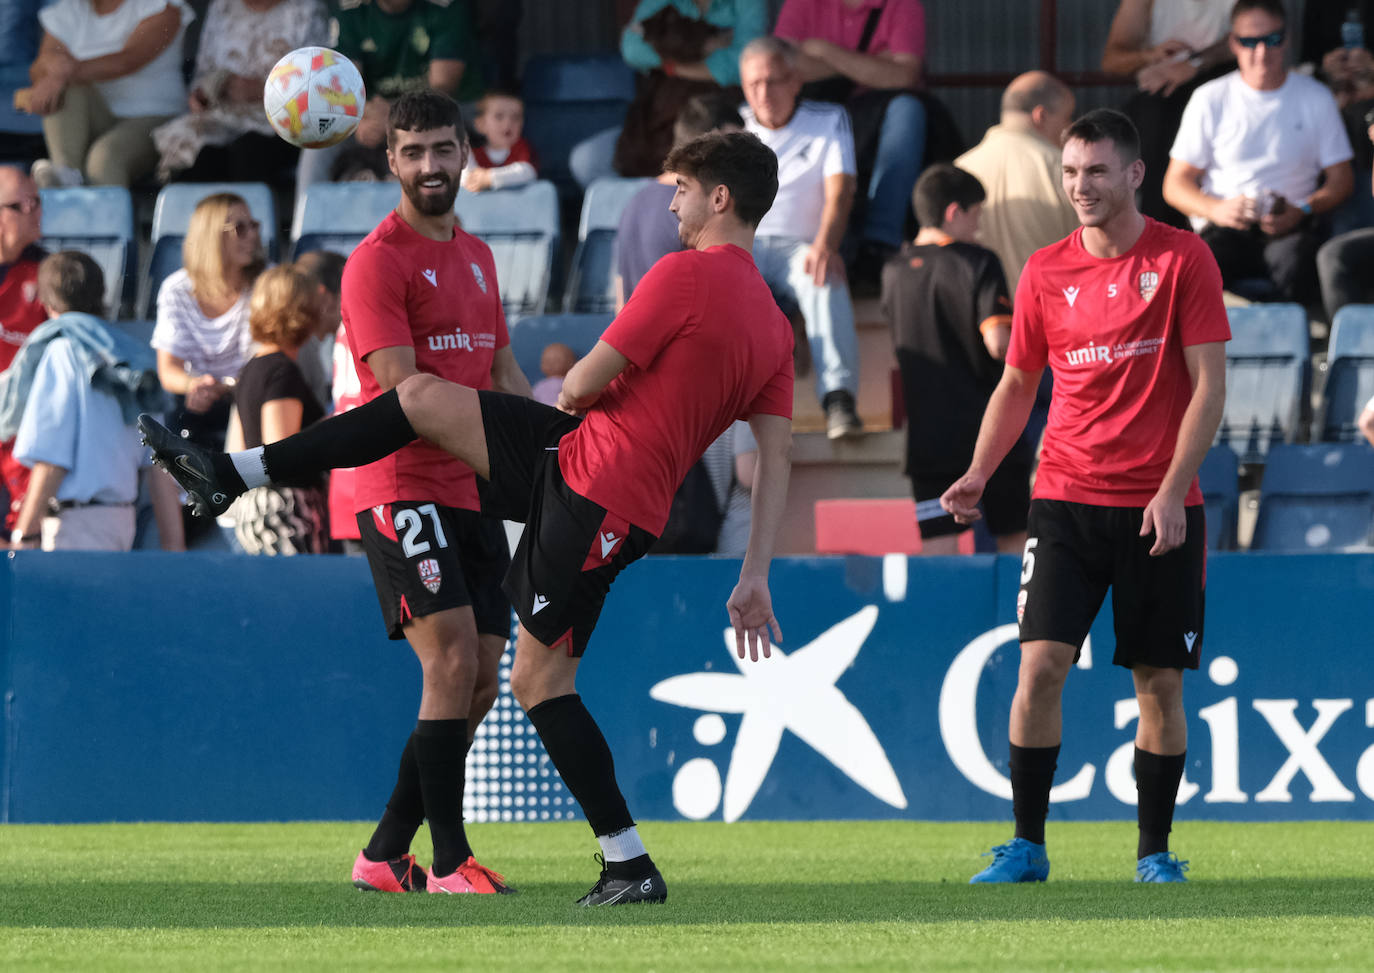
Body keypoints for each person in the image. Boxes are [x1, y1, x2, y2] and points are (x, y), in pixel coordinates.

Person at [140, 127, 795, 906]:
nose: (673, 202)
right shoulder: (775, 324)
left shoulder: (683, 276)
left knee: (537, 681)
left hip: (594, 484)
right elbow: (778, 460)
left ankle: (627, 860)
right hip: (597, 475)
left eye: (682, 188)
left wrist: (575, 382)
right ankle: (232, 471)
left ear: (721, 197)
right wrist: (755, 574)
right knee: (416, 398)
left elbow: (582, 383)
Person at [941, 109, 1229, 884]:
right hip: (1063, 497)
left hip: (1160, 509)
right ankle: (1027, 845)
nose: (1081, 187)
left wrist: (1172, 490)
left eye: (1097, 171)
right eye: (1071, 173)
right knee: (1039, 668)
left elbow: (1210, 389)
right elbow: (1017, 383)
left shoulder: (1183, 259)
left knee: (1158, 685)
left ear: (1135, 173)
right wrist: (978, 470)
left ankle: (1154, 852)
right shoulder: (1043, 270)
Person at [330, 90, 533, 895]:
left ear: (465, 153)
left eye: (444, 149)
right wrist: (494, 447)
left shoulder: (480, 256)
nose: (430, 166)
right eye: (413, 152)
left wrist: (549, 454)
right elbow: (403, 391)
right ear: (392, 160)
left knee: (480, 680)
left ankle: (385, 852)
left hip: (472, 484)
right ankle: (449, 861)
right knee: (449, 659)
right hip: (399, 482)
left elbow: (502, 373)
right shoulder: (375, 261)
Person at [1162, 0, 1353, 305]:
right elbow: (1174, 184)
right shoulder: (1209, 98)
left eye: (1272, 40)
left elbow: (1341, 179)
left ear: (1287, 39)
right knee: (1195, 268)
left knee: (1301, 263)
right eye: (1250, 41)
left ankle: (1303, 349)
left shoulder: (1316, 97)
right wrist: (1216, 209)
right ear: (1233, 43)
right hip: (1223, 228)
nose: (1262, 52)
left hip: (1291, 229)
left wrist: (1302, 209)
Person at [882, 163, 1026, 557]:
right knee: (1014, 540)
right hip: (990, 434)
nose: (978, 227)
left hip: (927, 438)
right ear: (953, 212)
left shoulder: (893, 272)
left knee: (938, 553)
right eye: (976, 214)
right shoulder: (978, 261)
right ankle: (1019, 622)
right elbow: (999, 342)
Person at [739, 36, 863, 440]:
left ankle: (839, 399)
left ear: (795, 81)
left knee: (823, 277)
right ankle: (730, 405)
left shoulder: (828, 119)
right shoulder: (733, 128)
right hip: (745, 249)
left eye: (773, 81)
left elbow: (841, 189)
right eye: (754, 84)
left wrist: (827, 244)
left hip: (802, 247)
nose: (764, 93)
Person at [8, 251, 167, 550]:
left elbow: (52, 461)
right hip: (121, 521)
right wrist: (175, 547)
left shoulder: (62, 352)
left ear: (46, 303)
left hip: (74, 525)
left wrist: (24, 535)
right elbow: (160, 467)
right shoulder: (134, 356)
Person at [772, 0, 929, 275]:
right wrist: (871, 64)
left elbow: (903, 74)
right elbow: (780, 66)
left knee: (908, 110)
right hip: (814, 113)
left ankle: (879, 243)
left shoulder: (903, 5)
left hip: (876, 115)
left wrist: (824, 51)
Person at [299, 0, 479, 189]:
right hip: (369, 112)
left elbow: (443, 86)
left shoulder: (445, 5)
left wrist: (396, 115)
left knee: (453, 123)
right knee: (320, 136)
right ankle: (305, 215)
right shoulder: (351, 8)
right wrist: (360, 117)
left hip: (433, 109)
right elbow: (345, 83)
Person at [17, 0, 192, 188]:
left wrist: (62, 74)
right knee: (66, 90)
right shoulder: (68, 9)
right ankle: (66, 176)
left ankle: (105, 214)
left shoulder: (161, 5)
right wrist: (51, 67)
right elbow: (39, 70)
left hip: (156, 116)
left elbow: (127, 61)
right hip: (99, 116)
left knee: (104, 159)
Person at [152, 0, 327, 183]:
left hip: (279, 120)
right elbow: (202, 73)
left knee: (248, 152)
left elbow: (316, 84)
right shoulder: (222, 6)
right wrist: (202, 94)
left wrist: (262, 90)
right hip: (221, 116)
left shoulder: (307, 10)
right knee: (200, 156)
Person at [1101, 0, 1234, 228]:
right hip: (1160, 101)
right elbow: (1112, 60)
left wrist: (1196, 64)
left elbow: (1258, 32)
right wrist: (1151, 56)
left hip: (1227, 94)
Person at [151, 192, 262, 455]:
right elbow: (169, 371)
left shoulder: (265, 284)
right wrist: (195, 386)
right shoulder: (176, 289)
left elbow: (269, 362)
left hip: (251, 398)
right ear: (212, 236)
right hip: (197, 401)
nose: (252, 236)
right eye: (240, 228)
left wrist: (225, 388)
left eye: (253, 226)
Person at [229, 265, 328, 555]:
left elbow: (238, 450)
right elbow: (279, 455)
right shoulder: (282, 372)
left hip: (254, 513)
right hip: (286, 515)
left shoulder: (250, 369)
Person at [608, 0, 765, 179]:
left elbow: (742, 64)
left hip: (717, 111)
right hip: (660, 116)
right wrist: (702, 44)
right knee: (587, 161)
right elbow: (632, 49)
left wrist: (670, 55)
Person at [954, 71, 1078, 294]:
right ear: (1040, 115)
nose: (1070, 128)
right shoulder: (1067, 169)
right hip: (1050, 315)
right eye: (1067, 118)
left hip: (981, 319)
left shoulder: (959, 170)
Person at [615, 91, 743, 307]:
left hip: (636, 338)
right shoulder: (706, 207)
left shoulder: (634, 202)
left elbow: (621, 300)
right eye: (737, 149)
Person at [0, 166, 48, 532]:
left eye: (37, 201)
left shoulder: (49, 271)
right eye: (23, 204)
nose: (36, 210)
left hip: (30, 431)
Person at [461, 90, 537, 193]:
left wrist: (489, 177)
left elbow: (529, 172)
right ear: (481, 124)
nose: (508, 123)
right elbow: (468, 181)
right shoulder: (475, 154)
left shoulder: (521, 148)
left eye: (516, 117)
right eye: (499, 116)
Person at [532, 341, 574, 407]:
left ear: (571, 363)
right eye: (547, 360)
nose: (551, 364)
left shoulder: (570, 384)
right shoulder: (540, 386)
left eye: (557, 360)